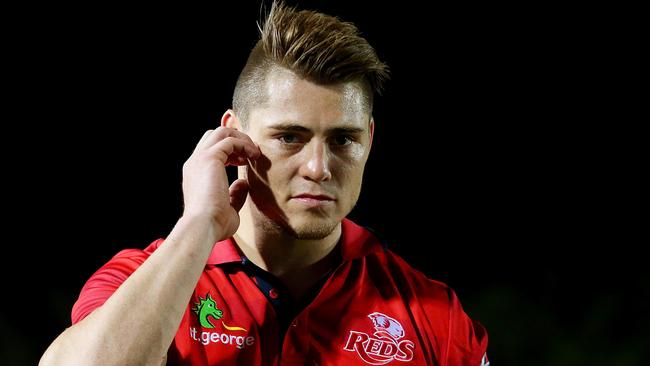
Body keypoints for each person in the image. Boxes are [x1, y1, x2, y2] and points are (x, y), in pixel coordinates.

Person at [40, 2, 489, 365]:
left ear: (369, 140)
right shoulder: (139, 278)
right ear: (234, 135)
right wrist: (198, 224)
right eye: (289, 137)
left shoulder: (435, 317)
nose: (318, 167)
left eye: (343, 139)